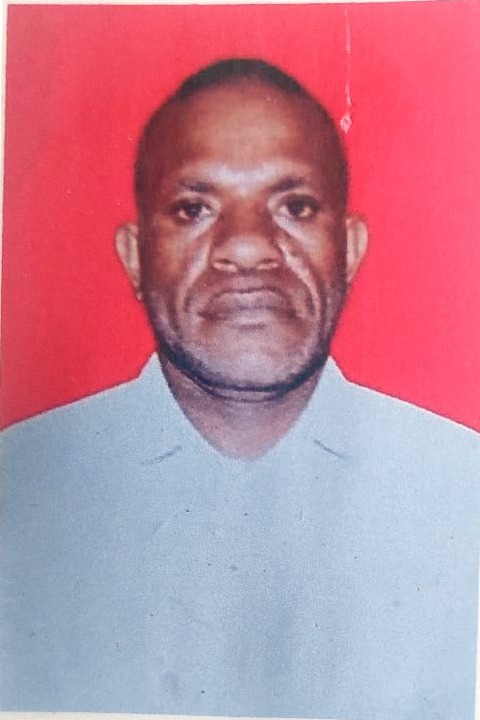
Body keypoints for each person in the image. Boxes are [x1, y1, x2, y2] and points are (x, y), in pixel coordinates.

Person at [2, 58, 479, 720]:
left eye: (295, 206)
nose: (249, 248)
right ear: (136, 257)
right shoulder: (19, 491)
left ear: (350, 250)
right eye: (194, 209)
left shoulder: (462, 493)